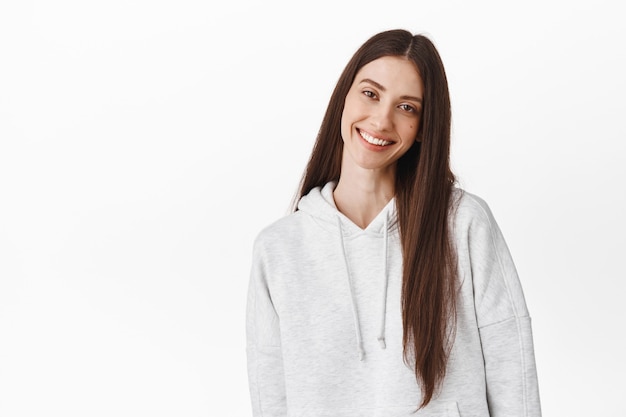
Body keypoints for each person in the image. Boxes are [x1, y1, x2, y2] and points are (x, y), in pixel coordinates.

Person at [246, 29, 542, 417]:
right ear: (344, 99)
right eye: (371, 93)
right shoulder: (279, 249)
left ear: (422, 129)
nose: (382, 119)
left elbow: (511, 368)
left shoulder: (462, 223)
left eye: (407, 108)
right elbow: (273, 400)